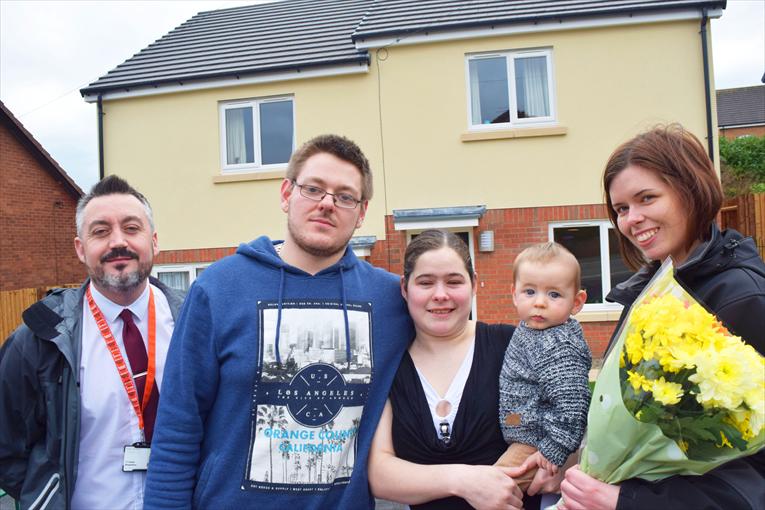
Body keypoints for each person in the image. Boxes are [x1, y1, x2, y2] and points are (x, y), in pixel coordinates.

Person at [143, 134, 412, 509]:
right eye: (313, 189)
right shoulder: (218, 289)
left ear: (362, 211)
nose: (327, 204)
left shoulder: (391, 301)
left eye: (345, 196)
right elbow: (178, 427)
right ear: (286, 194)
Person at [559, 124, 765, 510]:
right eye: (621, 209)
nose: (632, 219)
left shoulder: (740, 297)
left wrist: (628, 501)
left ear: (691, 190)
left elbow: (756, 469)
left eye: (647, 198)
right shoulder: (655, 285)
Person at [0, 175, 184, 509]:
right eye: (100, 231)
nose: (118, 242)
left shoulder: (194, 323)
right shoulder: (40, 339)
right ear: (81, 249)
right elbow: (7, 448)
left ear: (154, 241)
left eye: (131, 228)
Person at [369, 230, 569, 510]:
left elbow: (569, 418)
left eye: (454, 281)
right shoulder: (388, 363)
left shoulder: (514, 344)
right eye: (425, 282)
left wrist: (560, 465)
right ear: (405, 288)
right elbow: (380, 473)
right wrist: (464, 481)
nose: (440, 295)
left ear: (474, 284)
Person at [495, 242, 591, 489]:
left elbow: (572, 405)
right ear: (514, 294)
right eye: (529, 292)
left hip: (537, 443)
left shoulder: (557, 343)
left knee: (493, 487)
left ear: (577, 302)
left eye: (554, 294)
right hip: (523, 431)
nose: (539, 303)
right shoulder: (532, 329)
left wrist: (553, 450)